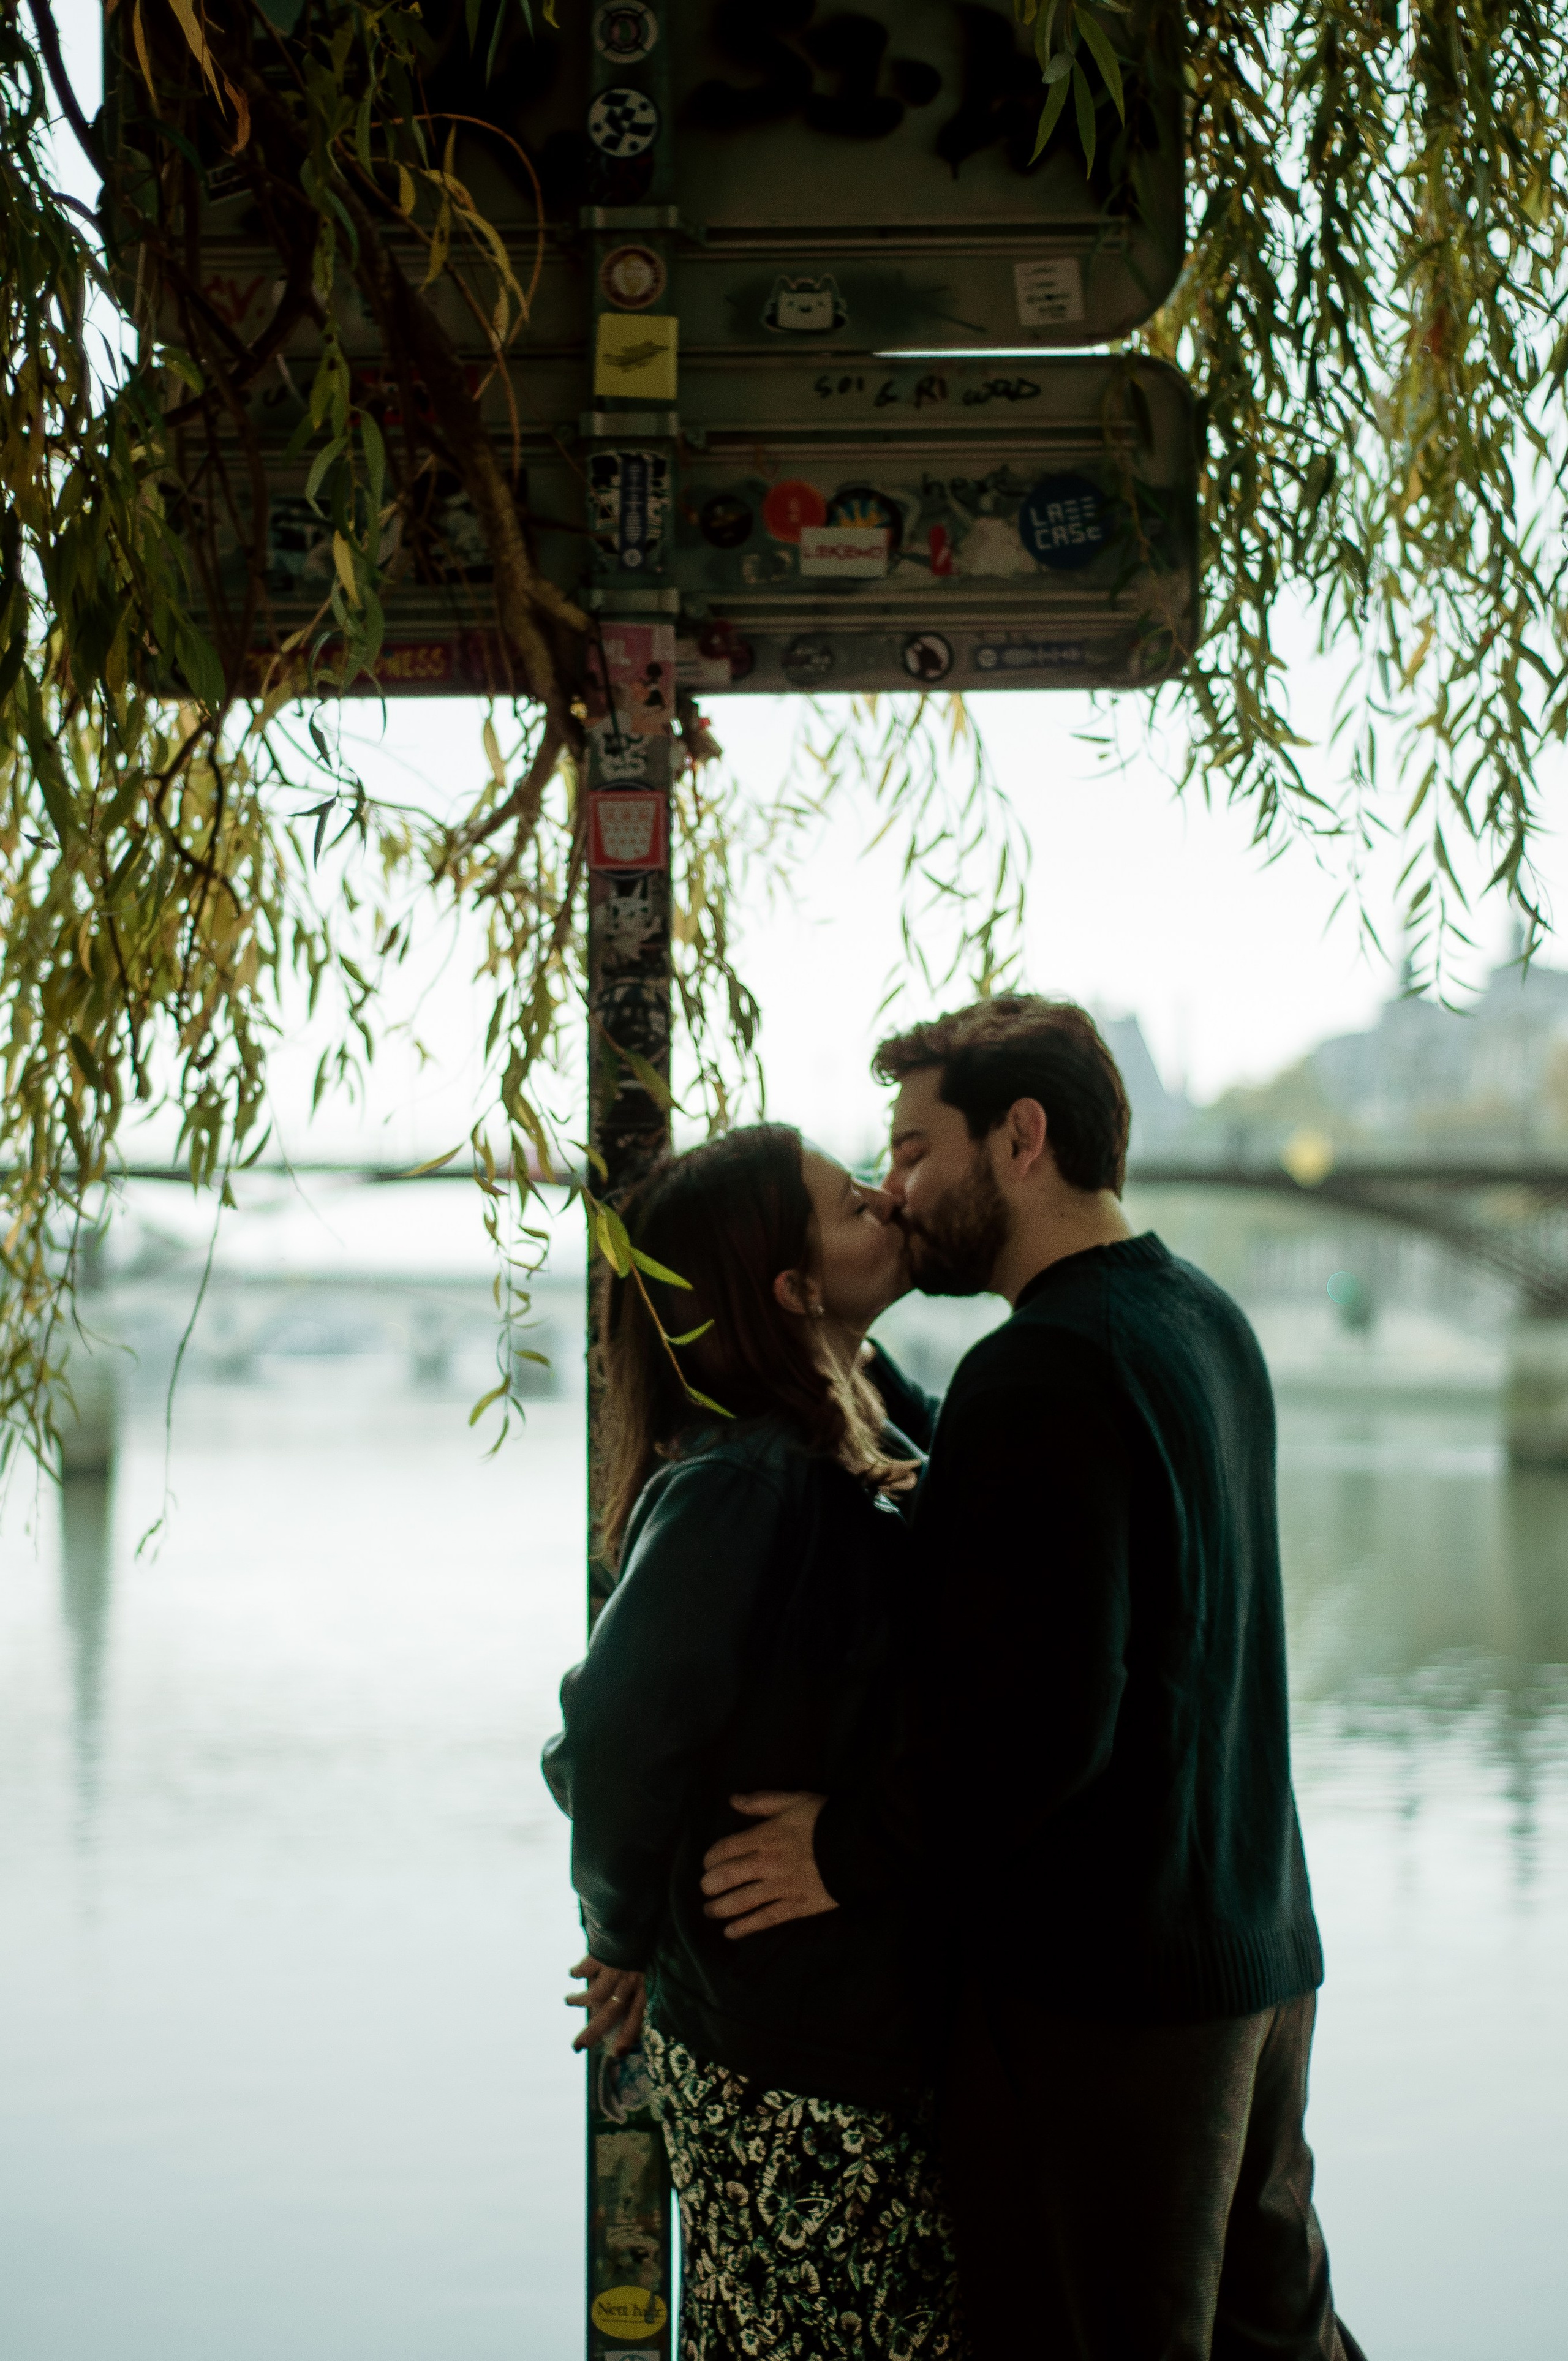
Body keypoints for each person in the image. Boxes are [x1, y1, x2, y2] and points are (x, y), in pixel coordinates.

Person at [699, 997, 1366, 2361]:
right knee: (1276, 2337)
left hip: (1111, 1997)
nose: (891, 1188)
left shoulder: (1042, 1366)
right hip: (1252, 1948)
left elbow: (1037, 1718)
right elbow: (1033, 1537)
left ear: (1018, 1136)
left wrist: (847, 1845)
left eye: (909, 1146)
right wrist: (846, 1358)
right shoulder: (1198, 1321)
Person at [541, 1123, 967, 2361]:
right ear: (793, 1288)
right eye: (852, 1205)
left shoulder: (866, 1418)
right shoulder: (746, 1478)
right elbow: (611, 1734)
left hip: (847, 2030)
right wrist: (621, 1933)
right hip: (788, 2049)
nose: (887, 1201)